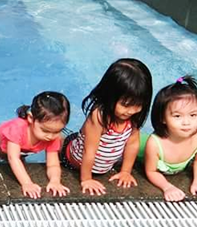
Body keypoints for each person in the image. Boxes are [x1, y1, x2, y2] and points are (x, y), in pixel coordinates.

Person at [61, 58, 152, 195]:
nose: (131, 111)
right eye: (125, 105)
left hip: (103, 159)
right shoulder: (99, 117)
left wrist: (125, 171)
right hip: (74, 159)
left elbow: (132, 144)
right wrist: (86, 179)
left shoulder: (133, 117)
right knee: (61, 143)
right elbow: (89, 151)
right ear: (109, 96)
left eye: (138, 105)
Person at [0, 91, 70, 198]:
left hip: (17, 151)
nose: (50, 136)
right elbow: (13, 158)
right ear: (30, 118)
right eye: (45, 130)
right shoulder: (17, 129)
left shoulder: (53, 136)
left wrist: (55, 181)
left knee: (17, 162)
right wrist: (27, 183)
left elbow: (53, 164)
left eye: (57, 131)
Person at [138, 76, 197, 202]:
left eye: (193, 115)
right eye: (177, 116)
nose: (186, 122)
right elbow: (151, 171)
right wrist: (167, 187)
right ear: (162, 118)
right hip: (139, 147)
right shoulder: (155, 143)